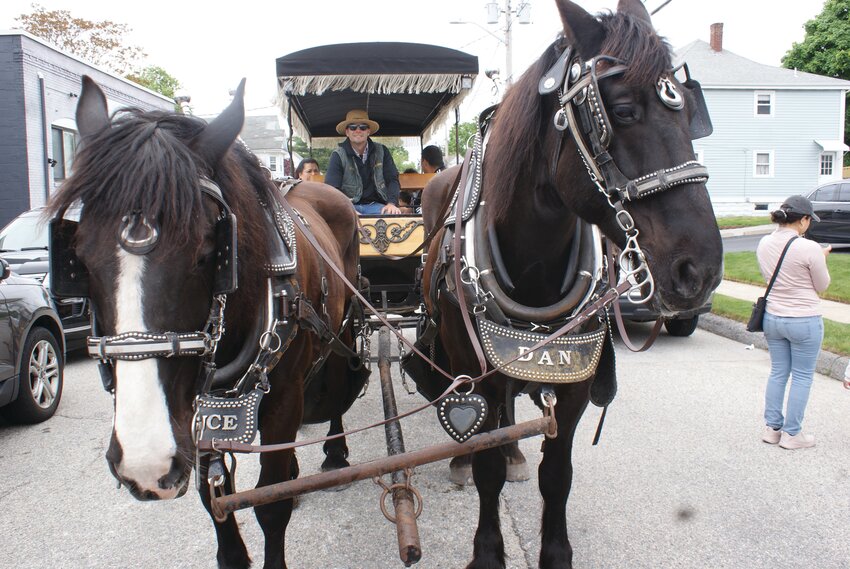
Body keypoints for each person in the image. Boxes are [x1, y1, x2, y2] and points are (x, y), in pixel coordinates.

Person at [757, 195, 832, 450]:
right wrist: (822, 258)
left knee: (778, 372)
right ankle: (792, 434)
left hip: (773, 318)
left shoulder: (764, 243)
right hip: (804, 319)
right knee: (801, 376)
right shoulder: (808, 247)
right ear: (803, 220)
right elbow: (822, 285)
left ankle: (772, 429)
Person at [324, 110, 401, 215]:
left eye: (363, 127)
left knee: (391, 216)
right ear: (347, 132)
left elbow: (392, 179)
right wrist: (348, 209)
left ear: (368, 131)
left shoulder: (382, 151)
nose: (358, 130)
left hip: (376, 206)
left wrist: (392, 203)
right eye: (353, 127)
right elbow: (332, 188)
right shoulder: (337, 155)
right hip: (348, 206)